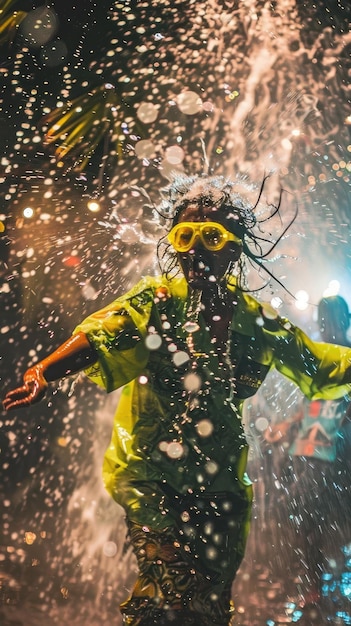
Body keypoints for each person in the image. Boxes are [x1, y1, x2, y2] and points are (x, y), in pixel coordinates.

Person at [3, 174, 351, 626]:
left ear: (234, 247)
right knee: (170, 584)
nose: (195, 250)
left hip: (221, 482)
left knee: (205, 605)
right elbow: (103, 332)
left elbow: (318, 362)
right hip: (152, 476)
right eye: (184, 236)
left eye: (211, 237)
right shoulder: (158, 302)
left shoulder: (257, 321)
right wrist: (43, 370)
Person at [265, 295, 351, 615]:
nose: (326, 324)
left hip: (336, 442)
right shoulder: (319, 357)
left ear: (345, 320)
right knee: (307, 513)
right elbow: (310, 403)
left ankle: (321, 585)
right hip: (316, 440)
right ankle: (314, 585)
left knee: (318, 510)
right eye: (323, 318)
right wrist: (286, 425)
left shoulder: (346, 355)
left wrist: (337, 420)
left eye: (331, 318)